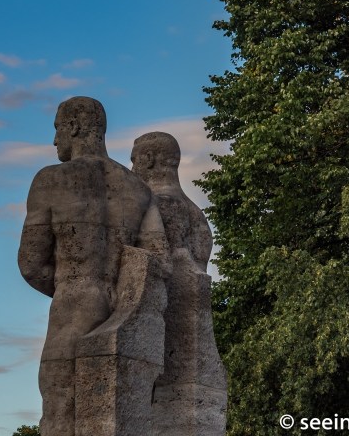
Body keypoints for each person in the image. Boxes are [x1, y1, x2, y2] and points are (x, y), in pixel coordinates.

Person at [19, 97, 166, 436]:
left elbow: (30, 263)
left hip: (71, 311)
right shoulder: (140, 190)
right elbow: (156, 261)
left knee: (60, 415)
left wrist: (69, 281)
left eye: (57, 130)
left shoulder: (50, 180)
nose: (55, 140)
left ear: (72, 126)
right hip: (123, 317)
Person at [131, 131, 227, 436]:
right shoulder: (196, 213)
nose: (132, 167)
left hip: (163, 331)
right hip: (196, 335)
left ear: (149, 159)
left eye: (134, 159)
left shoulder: (156, 206)